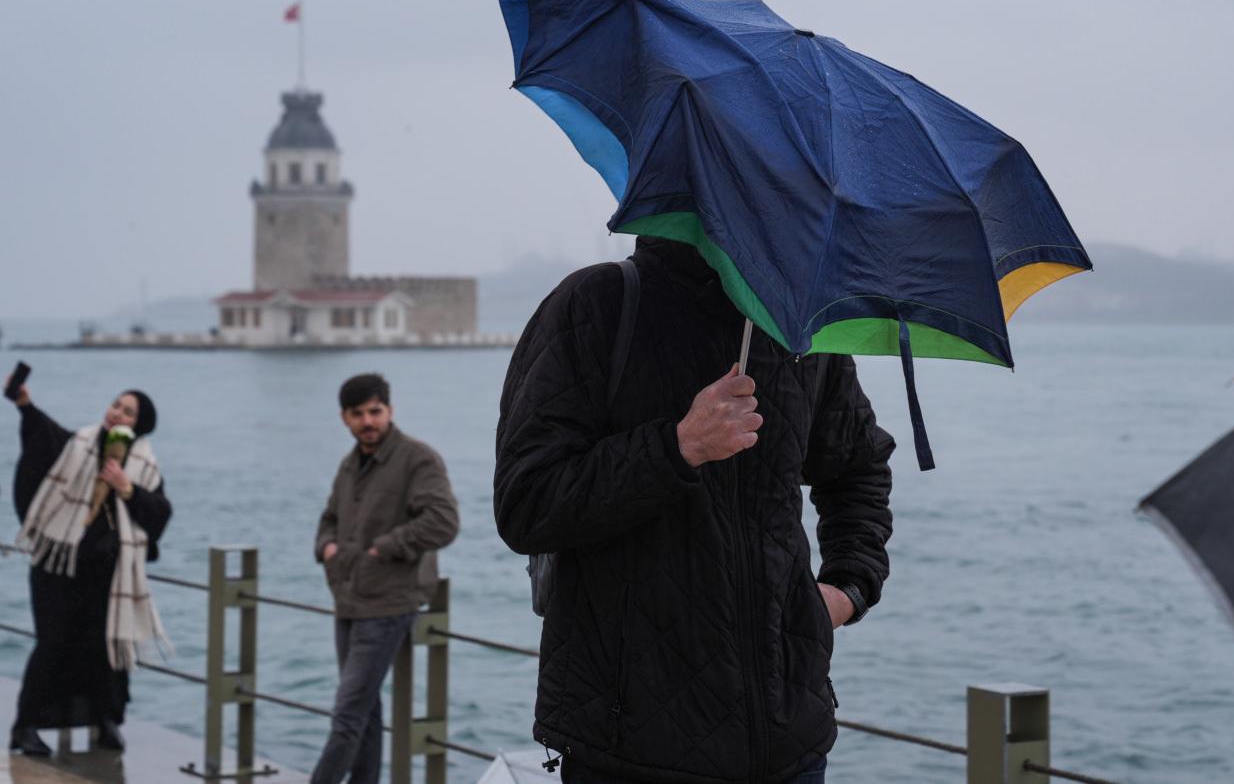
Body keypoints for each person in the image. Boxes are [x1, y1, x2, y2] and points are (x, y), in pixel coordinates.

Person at [494, 238, 895, 784]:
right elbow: (526, 501)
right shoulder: (598, 303)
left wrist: (847, 588)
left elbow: (858, 467)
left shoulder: (798, 325)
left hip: (792, 746)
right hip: (628, 750)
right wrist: (677, 447)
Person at [6, 378, 172, 756]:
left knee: (105, 649)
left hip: (107, 573)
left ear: (140, 425)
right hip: (57, 566)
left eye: (128, 412)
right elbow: (43, 438)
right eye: (116, 405)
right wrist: (25, 405)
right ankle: (24, 726)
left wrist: (126, 488)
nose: (117, 413)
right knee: (52, 644)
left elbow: (159, 514)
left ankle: (105, 720)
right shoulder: (78, 444)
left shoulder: (144, 465)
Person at [312, 373, 460, 784]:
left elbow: (444, 521)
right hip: (348, 598)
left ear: (390, 410)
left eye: (375, 411)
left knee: (347, 714)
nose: (368, 421)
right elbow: (329, 518)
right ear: (344, 417)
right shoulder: (349, 464)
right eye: (358, 414)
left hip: (389, 602)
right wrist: (327, 548)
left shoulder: (417, 459)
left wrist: (385, 547)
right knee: (365, 713)